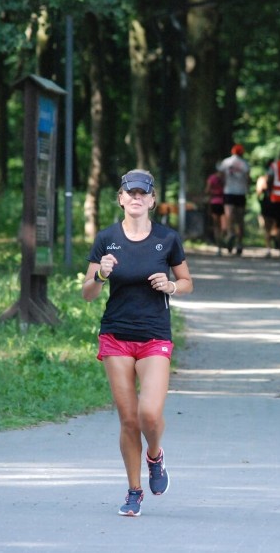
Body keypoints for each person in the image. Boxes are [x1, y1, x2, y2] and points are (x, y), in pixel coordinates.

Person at [82, 169, 194, 517]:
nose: (135, 198)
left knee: (149, 413)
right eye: (129, 192)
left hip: (154, 335)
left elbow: (187, 281)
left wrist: (172, 286)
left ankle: (155, 455)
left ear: (152, 200)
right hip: (116, 335)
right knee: (129, 420)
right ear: (119, 198)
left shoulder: (167, 239)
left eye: (142, 193)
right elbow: (87, 293)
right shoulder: (106, 239)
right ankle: (134, 490)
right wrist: (100, 273)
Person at [219, 144, 250, 255]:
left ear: (232, 151)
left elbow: (221, 176)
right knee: (240, 218)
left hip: (229, 192)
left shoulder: (226, 162)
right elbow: (248, 178)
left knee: (229, 215)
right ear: (242, 152)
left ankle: (230, 232)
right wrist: (247, 189)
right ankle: (239, 243)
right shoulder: (244, 163)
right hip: (241, 193)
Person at [255, 159, 275, 257]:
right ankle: (275, 237)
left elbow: (258, 193)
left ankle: (268, 248)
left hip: (266, 203)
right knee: (275, 224)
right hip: (277, 203)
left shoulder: (262, 179)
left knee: (267, 227)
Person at [205, 167, 226, 256]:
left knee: (216, 225)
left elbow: (207, 190)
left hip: (215, 202)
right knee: (224, 226)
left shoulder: (212, 178)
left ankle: (219, 247)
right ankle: (225, 240)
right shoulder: (225, 178)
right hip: (225, 202)